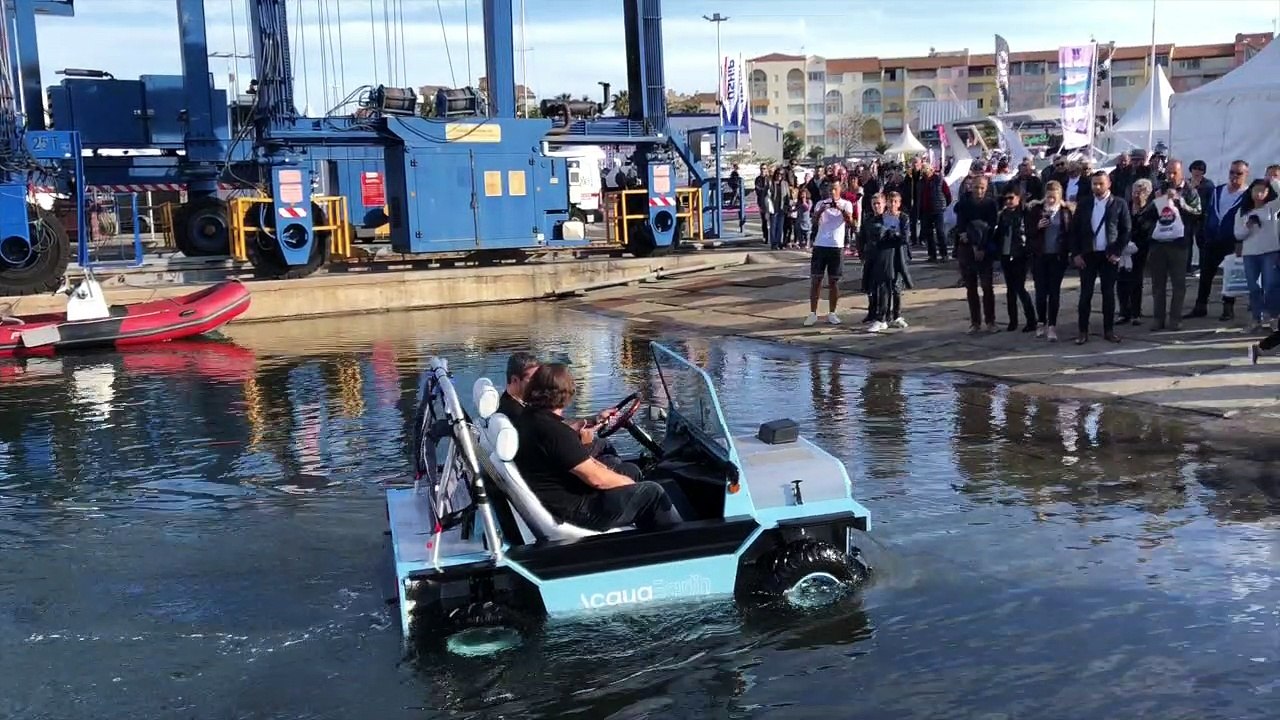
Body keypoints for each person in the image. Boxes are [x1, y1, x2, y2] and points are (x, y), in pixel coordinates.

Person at [512, 363, 682, 532]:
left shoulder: (532, 418)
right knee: (653, 494)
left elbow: (584, 463)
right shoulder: (553, 432)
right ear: (567, 394)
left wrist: (619, 477)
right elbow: (597, 479)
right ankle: (681, 542)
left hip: (563, 497)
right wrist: (629, 485)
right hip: (578, 509)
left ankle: (647, 533)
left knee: (631, 470)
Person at [502, 352, 621, 464]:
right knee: (611, 454)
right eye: (534, 380)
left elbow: (553, 427)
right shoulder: (517, 413)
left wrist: (593, 420)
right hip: (550, 462)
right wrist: (586, 444)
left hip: (547, 454)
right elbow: (551, 434)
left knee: (603, 446)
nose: (539, 384)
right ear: (515, 380)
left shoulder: (518, 404)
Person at [1071, 171, 1131, 345]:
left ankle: (1109, 330)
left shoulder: (1119, 204)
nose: (1097, 187)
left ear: (1109, 184)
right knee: (1085, 295)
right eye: (1094, 184)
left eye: (1100, 184)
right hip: (1088, 255)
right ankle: (1082, 331)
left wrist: (1118, 251)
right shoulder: (1084, 203)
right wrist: (1076, 254)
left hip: (1108, 255)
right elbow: (1074, 231)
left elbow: (1126, 230)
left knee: (1108, 294)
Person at [1189, 160, 1250, 322]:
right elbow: (1206, 211)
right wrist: (1202, 233)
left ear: (1246, 175)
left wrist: (1242, 242)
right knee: (1206, 273)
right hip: (1212, 239)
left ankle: (1228, 308)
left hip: (1233, 240)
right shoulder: (1218, 190)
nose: (1234, 176)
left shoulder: (1247, 195)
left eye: (1239, 173)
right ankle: (1200, 306)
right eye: (1232, 172)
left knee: (1229, 275)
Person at [1145, 160, 1201, 330]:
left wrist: (1180, 201)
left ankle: (1175, 319)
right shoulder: (1159, 189)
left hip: (1179, 244)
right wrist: (1156, 202)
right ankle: (1158, 318)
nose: (1170, 176)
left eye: (1174, 173)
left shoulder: (1190, 191)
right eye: (1168, 172)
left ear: (1181, 173)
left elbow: (1198, 212)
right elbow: (1146, 214)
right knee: (1158, 285)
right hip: (1158, 244)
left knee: (1178, 284)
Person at [804, 181, 855, 326]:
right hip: (820, 245)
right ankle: (813, 313)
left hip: (836, 246)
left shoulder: (846, 204)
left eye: (835, 189)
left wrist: (839, 209)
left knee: (834, 281)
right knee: (816, 280)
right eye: (830, 189)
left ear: (840, 190)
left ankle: (832, 313)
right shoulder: (821, 203)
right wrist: (821, 211)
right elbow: (814, 221)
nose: (832, 191)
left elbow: (850, 222)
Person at [1027, 180, 1072, 341]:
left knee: (1054, 292)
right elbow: (1028, 233)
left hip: (1057, 257)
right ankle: (1041, 322)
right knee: (1040, 293)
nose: (1050, 200)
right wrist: (1037, 227)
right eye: (1048, 197)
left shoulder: (1065, 211)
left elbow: (1069, 233)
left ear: (1059, 196)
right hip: (1040, 256)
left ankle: (1052, 325)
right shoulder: (1036, 210)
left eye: (1054, 197)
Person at [1233, 178, 1280, 332]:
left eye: (1263, 190)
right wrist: (1248, 226)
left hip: (1269, 252)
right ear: (1250, 191)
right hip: (1250, 254)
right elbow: (1238, 235)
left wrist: (1274, 182)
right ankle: (1255, 319)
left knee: (1270, 286)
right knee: (1254, 287)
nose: (1259, 193)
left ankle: (1274, 318)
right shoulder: (1243, 211)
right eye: (1256, 190)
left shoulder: (1271, 208)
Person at [954, 175, 999, 333]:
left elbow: (992, 227)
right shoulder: (964, 204)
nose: (978, 190)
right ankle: (975, 322)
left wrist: (982, 247)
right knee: (971, 287)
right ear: (971, 187)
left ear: (986, 188)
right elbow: (961, 225)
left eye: (982, 187)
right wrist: (968, 240)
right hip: (967, 249)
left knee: (987, 287)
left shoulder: (990, 204)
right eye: (976, 187)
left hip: (985, 248)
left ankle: (991, 321)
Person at [993, 189, 1036, 332]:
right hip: (1005, 254)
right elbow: (999, 235)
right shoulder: (1003, 215)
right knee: (1010, 290)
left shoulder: (1024, 212)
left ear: (1018, 198)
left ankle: (1031, 320)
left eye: (1011, 198)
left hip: (1020, 255)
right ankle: (1013, 321)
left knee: (1020, 288)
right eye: (1006, 199)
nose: (1008, 201)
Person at [1121, 179, 1157, 326]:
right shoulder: (1125, 206)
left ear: (1147, 194)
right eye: (1134, 192)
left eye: (1140, 192)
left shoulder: (1151, 209)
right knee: (1122, 279)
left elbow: (1149, 229)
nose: (1136, 195)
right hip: (1124, 248)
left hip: (1141, 248)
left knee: (1136, 280)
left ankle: (1136, 313)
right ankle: (1124, 312)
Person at [918, 164, 953, 262]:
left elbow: (948, 194)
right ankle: (932, 255)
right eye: (923, 170)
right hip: (926, 210)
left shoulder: (939, 180)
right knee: (928, 233)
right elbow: (919, 196)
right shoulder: (921, 182)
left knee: (940, 232)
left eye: (926, 170)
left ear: (931, 170)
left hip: (938, 210)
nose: (925, 172)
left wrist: (943, 205)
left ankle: (944, 254)